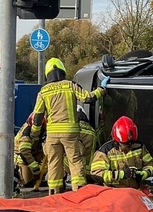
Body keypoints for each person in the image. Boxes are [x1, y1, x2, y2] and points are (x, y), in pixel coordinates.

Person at [30, 58, 105, 195]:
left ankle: (54, 193)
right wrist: (102, 89)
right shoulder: (70, 85)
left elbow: (37, 116)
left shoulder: (43, 91)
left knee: (53, 163)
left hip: (52, 135)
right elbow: (88, 98)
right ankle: (79, 193)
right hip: (70, 133)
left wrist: (34, 134)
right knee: (75, 161)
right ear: (62, 70)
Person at [91, 116, 153, 190]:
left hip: (136, 191)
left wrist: (143, 174)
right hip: (114, 193)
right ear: (117, 141)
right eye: (126, 144)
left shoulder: (139, 147)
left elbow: (151, 164)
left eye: (131, 142)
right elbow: (96, 174)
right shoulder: (105, 151)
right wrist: (122, 174)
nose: (129, 146)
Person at [14, 113, 45, 188]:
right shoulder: (26, 134)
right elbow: (24, 152)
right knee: (27, 182)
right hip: (22, 157)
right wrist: (35, 168)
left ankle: (40, 178)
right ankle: (19, 175)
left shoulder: (40, 128)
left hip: (35, 154)